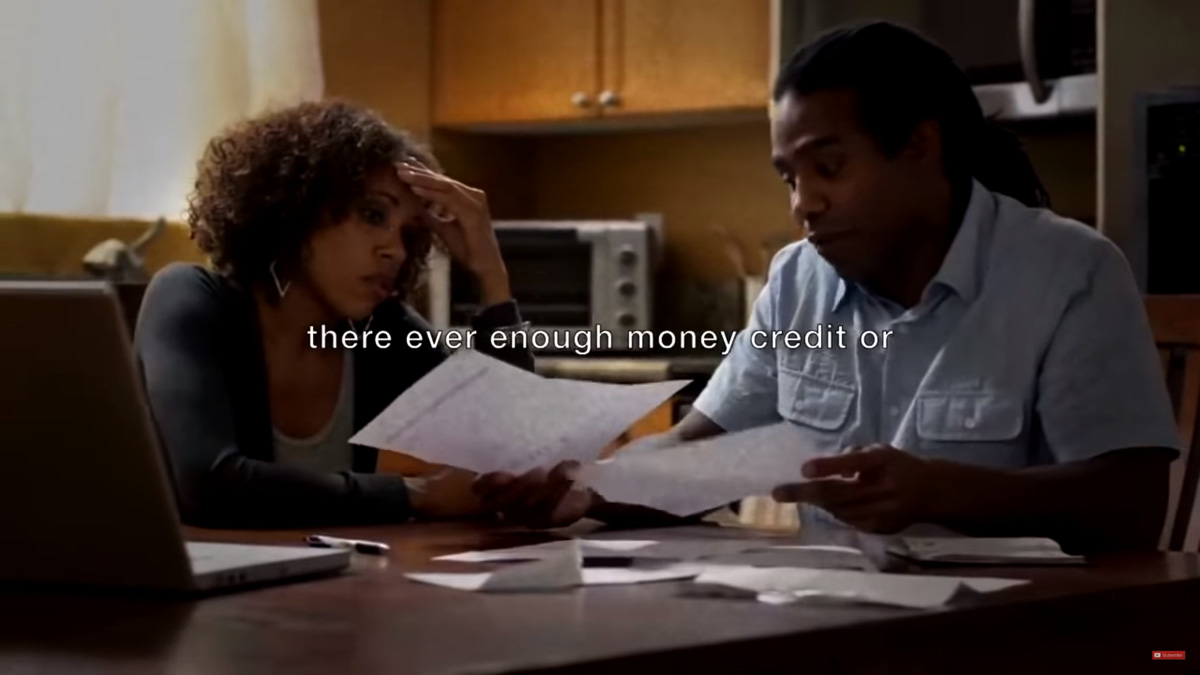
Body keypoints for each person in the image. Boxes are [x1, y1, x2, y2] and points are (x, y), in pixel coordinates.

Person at [474, 22, 1181, 553]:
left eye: (829, 168)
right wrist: (584, 488)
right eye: (790, 177)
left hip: (1016, 632)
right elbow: (697, 454)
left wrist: (944, 490)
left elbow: (1132, 508)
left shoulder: (1070, 271)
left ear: (920, 145)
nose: (803, 204)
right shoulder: (797, 279)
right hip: (829, 622)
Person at [136, 100, 533, 528]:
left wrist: (491, 277)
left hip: (329, 571)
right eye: (373, 215)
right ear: (298, 206)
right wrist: (415, 495)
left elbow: (508, 453)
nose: (396, 251)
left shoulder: (382, 331)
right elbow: (211, 487)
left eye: (410, 234)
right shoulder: (193, 298)